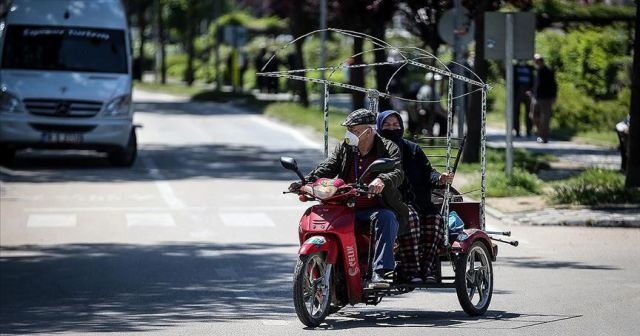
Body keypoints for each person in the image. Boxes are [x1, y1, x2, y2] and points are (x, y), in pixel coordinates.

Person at [289, 108, 409, 289]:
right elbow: (328, 166)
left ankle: (380, 272)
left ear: (368, 131)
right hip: (344, 205)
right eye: (349, 130)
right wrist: (306, 181)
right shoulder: (345, 146)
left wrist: (382, 179)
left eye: (354, 130)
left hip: (375, 207)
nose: (349, 133)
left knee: (387, 217)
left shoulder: (388, 147)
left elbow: (397, 172)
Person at [376, 110, 454, 283]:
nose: (392, 128)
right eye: (386, 125)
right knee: (410, 219)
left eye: (395, 125)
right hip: (393, 203)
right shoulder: (376, 150)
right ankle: (410, 270)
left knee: (435, 221)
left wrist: (440, 178)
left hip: (421, 203)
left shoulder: (412, 149)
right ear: (379, 127)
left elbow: (429, 174)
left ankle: (428, 269)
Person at [529, 54, 557, 143]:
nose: (535, 62)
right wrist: (532, 92)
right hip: (536, 97)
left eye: (537, 61)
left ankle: (544, 137)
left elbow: (553, 85)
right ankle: (539, 131)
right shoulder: (537, 71)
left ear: (541, 61)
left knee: (545, 119)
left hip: (546, 98)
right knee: (533, 116)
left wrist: (553, 96)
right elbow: (536, 84)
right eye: (534, 61)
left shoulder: (548, 71)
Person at [513, 60, 535, 137]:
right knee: (516, 112)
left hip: (527, 91)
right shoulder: (514, 67)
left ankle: (529, 130)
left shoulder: (530, 68)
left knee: (529, 112)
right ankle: (517, 130)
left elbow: (533, 79)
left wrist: (531, 90)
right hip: (517, 91)